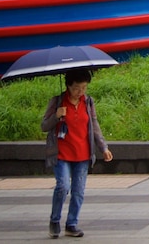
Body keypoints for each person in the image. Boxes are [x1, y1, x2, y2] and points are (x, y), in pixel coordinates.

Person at [42, 69, 113, 238]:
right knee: (63, 186)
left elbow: (94, 126)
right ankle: (54, 220)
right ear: (68, 86)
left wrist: (103, 147)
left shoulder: (88, 102)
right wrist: (56, 116)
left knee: (78, 191)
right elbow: (44, 126)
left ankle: (72, 223)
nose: (80, 92)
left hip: (82, 153)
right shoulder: (57, 102)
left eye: (84, 87)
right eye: (76, 88)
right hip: (62, 153)